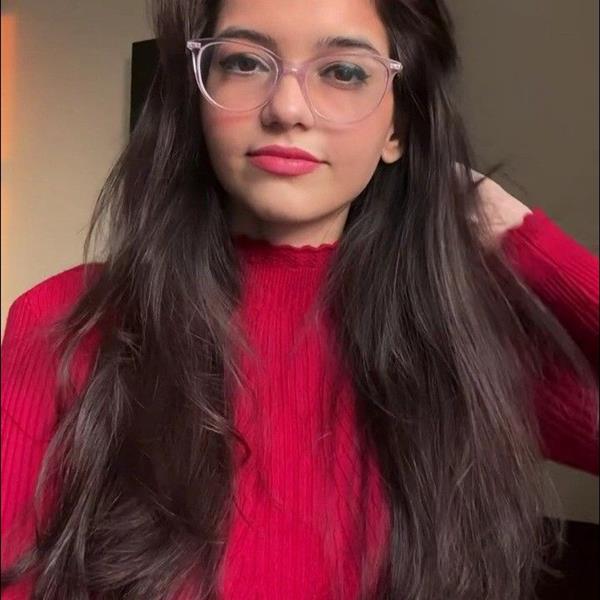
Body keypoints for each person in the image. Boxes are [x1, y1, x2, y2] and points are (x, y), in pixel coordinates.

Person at [1, 0, 598, 598]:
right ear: (200, 97)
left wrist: (526, 241)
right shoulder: (60, 320)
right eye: (244, 62)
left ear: (397, 129)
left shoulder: (466, 339)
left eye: (344, 71)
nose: (286, 109)